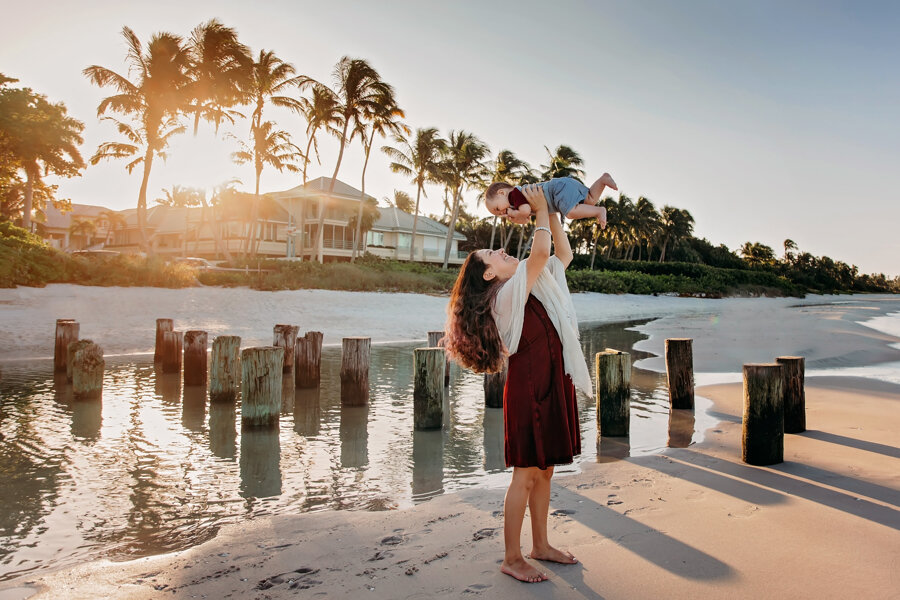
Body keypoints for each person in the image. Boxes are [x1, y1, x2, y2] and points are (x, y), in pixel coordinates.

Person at [444, 184, 593, 584]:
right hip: (529, 389)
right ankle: (512, 556)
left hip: (549, 380)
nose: (502, 252)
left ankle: (540, 545)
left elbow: (561, 255)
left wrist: (555, 212)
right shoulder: (505, 297)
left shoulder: (529, 285)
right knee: (525, 474)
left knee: (544, 470)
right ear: (489, 273)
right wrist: (541, 206)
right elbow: (541, 252)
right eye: (493, 255)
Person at [484, 173, 617, 227]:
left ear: (501, 193)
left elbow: (526, 210)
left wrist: (514, 214)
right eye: (497, 214)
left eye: (497, 209)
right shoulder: (515, 201)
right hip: (563, 185)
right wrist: (517, 218)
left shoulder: (514, 194)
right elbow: (526, 219)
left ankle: (599, 211)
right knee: (589, 200)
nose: (500, 213)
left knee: (570, 212)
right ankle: (602, 180)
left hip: (557, 190)